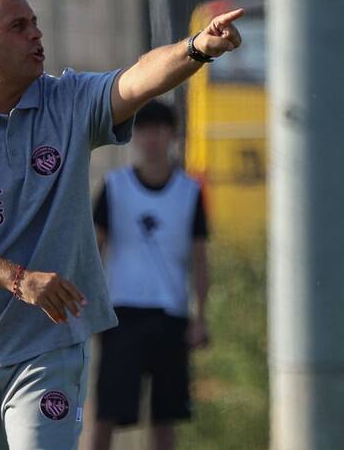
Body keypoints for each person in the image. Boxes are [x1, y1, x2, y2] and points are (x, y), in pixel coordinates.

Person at [0, 0, 241, 450]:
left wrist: (197, 47)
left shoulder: (69, 100)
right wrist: (19, 279)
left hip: (49, 341)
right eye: (18, 27)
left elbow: (137, 79)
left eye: (35, 22)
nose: (37, 35)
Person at [88, 100, 210, 450]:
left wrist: (200, 317)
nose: (151, 139)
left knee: (166, 416)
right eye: (143, 130)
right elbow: (94, 252)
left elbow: (200, 259)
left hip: (171, 314)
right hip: (121, 315)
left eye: (159, 130)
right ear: (133, 136)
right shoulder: (114, 187)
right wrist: (93, 311)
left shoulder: (190, 192)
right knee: (106, 414)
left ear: (172, 135)